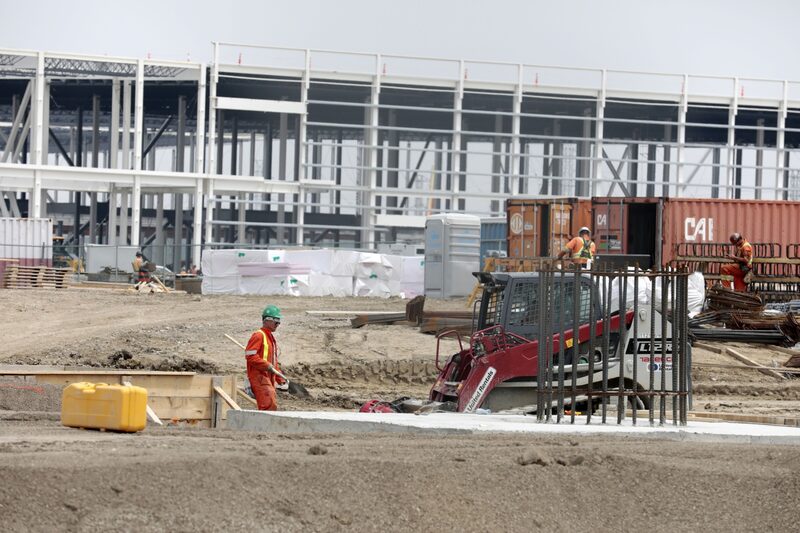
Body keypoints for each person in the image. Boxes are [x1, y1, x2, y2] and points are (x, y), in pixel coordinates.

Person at [244, 305, 286, 411]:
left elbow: (273, 362)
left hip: (268, 377)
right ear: (267, 320)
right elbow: (250, 356)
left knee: (270, 405)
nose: (278, 324)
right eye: (276, 321)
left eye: (279, 321)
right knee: (268, 406)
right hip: (259, 377)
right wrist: (266, 365)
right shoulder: (259, 335)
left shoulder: (270, 338)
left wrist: (280, 379)